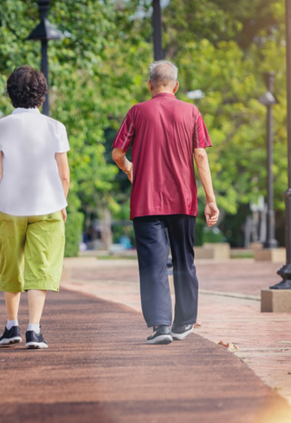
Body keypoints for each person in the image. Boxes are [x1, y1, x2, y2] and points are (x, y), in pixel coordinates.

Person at [111, 60, 219, 345]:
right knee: (185, 260)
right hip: (183, 200)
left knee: (152, 264)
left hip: (146, 201)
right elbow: (201, 156)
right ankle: (184, 323)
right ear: (176, 85)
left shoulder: (137, 111)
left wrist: (129, 169)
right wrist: (210, 199)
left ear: (149, 84)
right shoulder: (191, 111)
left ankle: (160, 327)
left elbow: (117, 153)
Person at [0, 65, 70, 349]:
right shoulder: (55, 127)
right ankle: (34, 330)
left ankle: (11, 325)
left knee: (11, 265)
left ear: (10, 94)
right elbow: (64, 174)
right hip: (48, 208)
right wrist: (61, 202)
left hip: (8, 207)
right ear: (41, 95)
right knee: (40, 267)